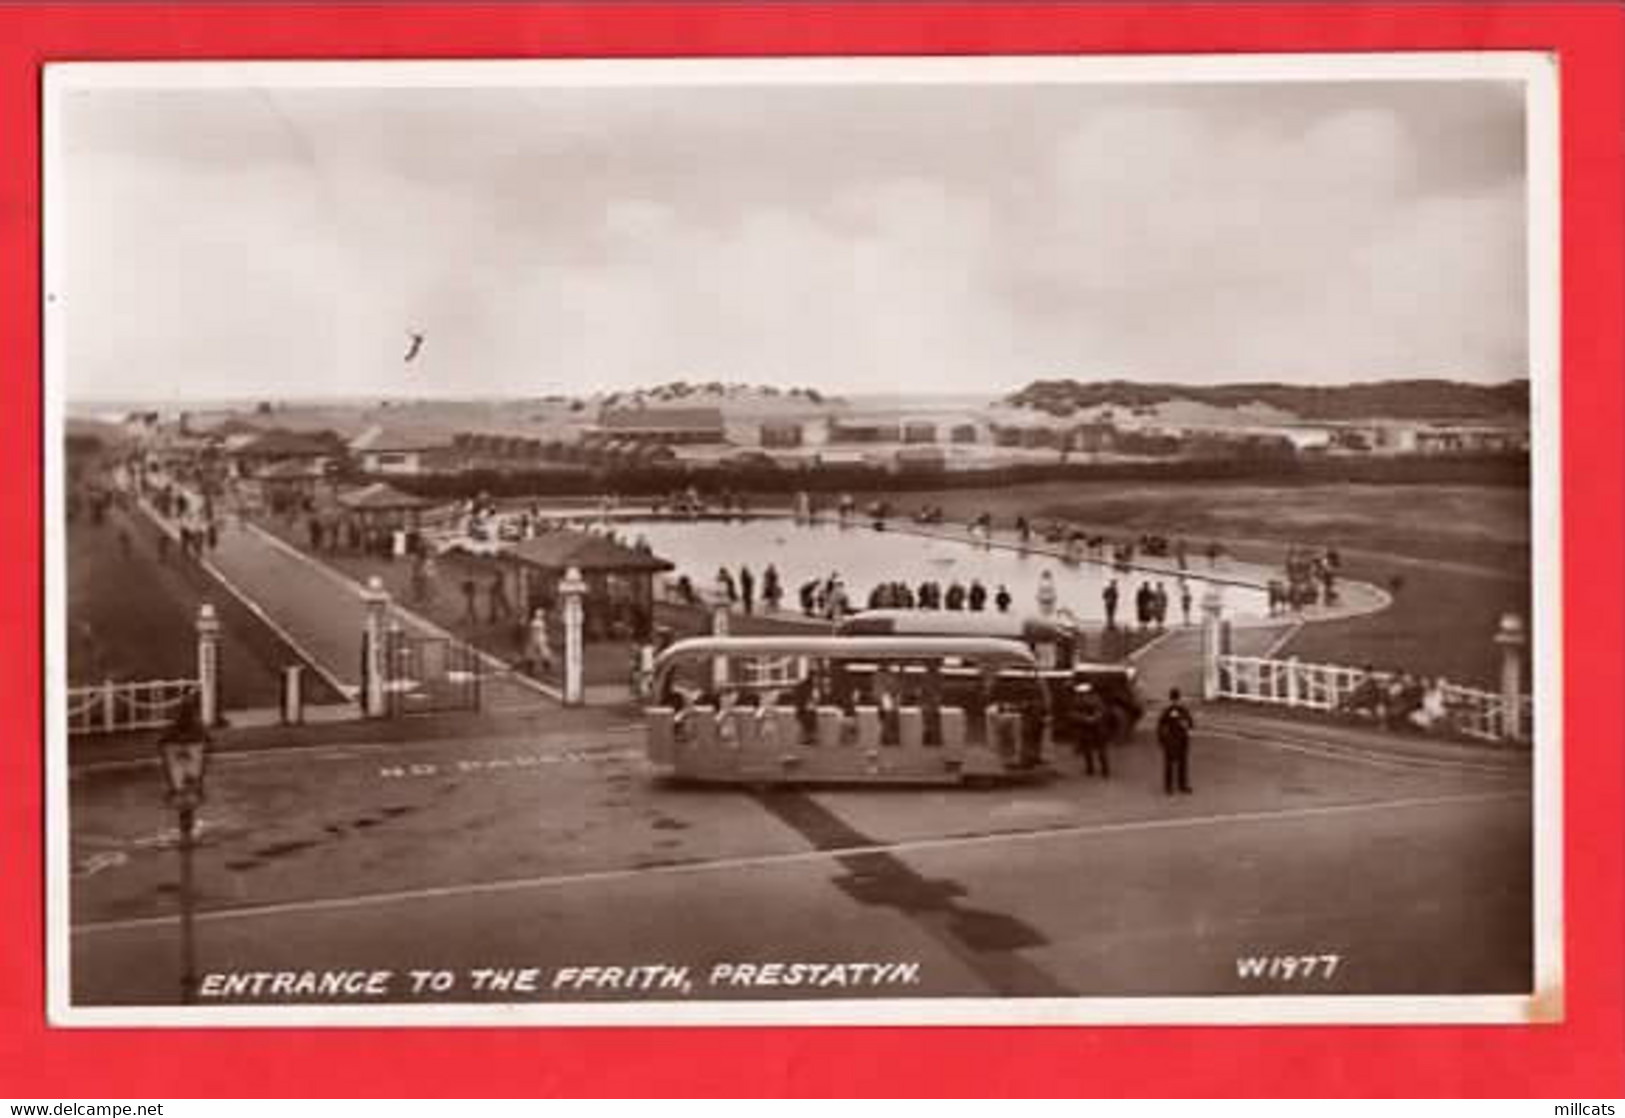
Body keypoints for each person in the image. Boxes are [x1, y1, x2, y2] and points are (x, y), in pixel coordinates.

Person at [1157, 688, 1195, 795]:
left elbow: (1191, 723)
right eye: (1174, 700)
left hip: (1181, 741)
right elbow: (1161, 726)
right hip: (1171, 741)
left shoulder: (1182, 710)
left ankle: (1181, 785)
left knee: (1182, 764)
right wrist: (1162, 741)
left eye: (1177, 700)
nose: (1176, 702)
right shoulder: (1168, 711)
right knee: (1169, 765)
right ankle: (1169, 787)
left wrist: (1187, 726)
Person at [1072, 684, 1111, 779]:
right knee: (1090, 749)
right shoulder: (1094, 699)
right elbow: (1073, 713)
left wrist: (1090, 719)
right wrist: (1087, 718)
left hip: (1095, 727)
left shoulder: (1080, 700)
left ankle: (1100, 769)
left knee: (1096, 749)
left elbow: (1102, 711)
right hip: (1091, 727)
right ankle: (1096, 769)